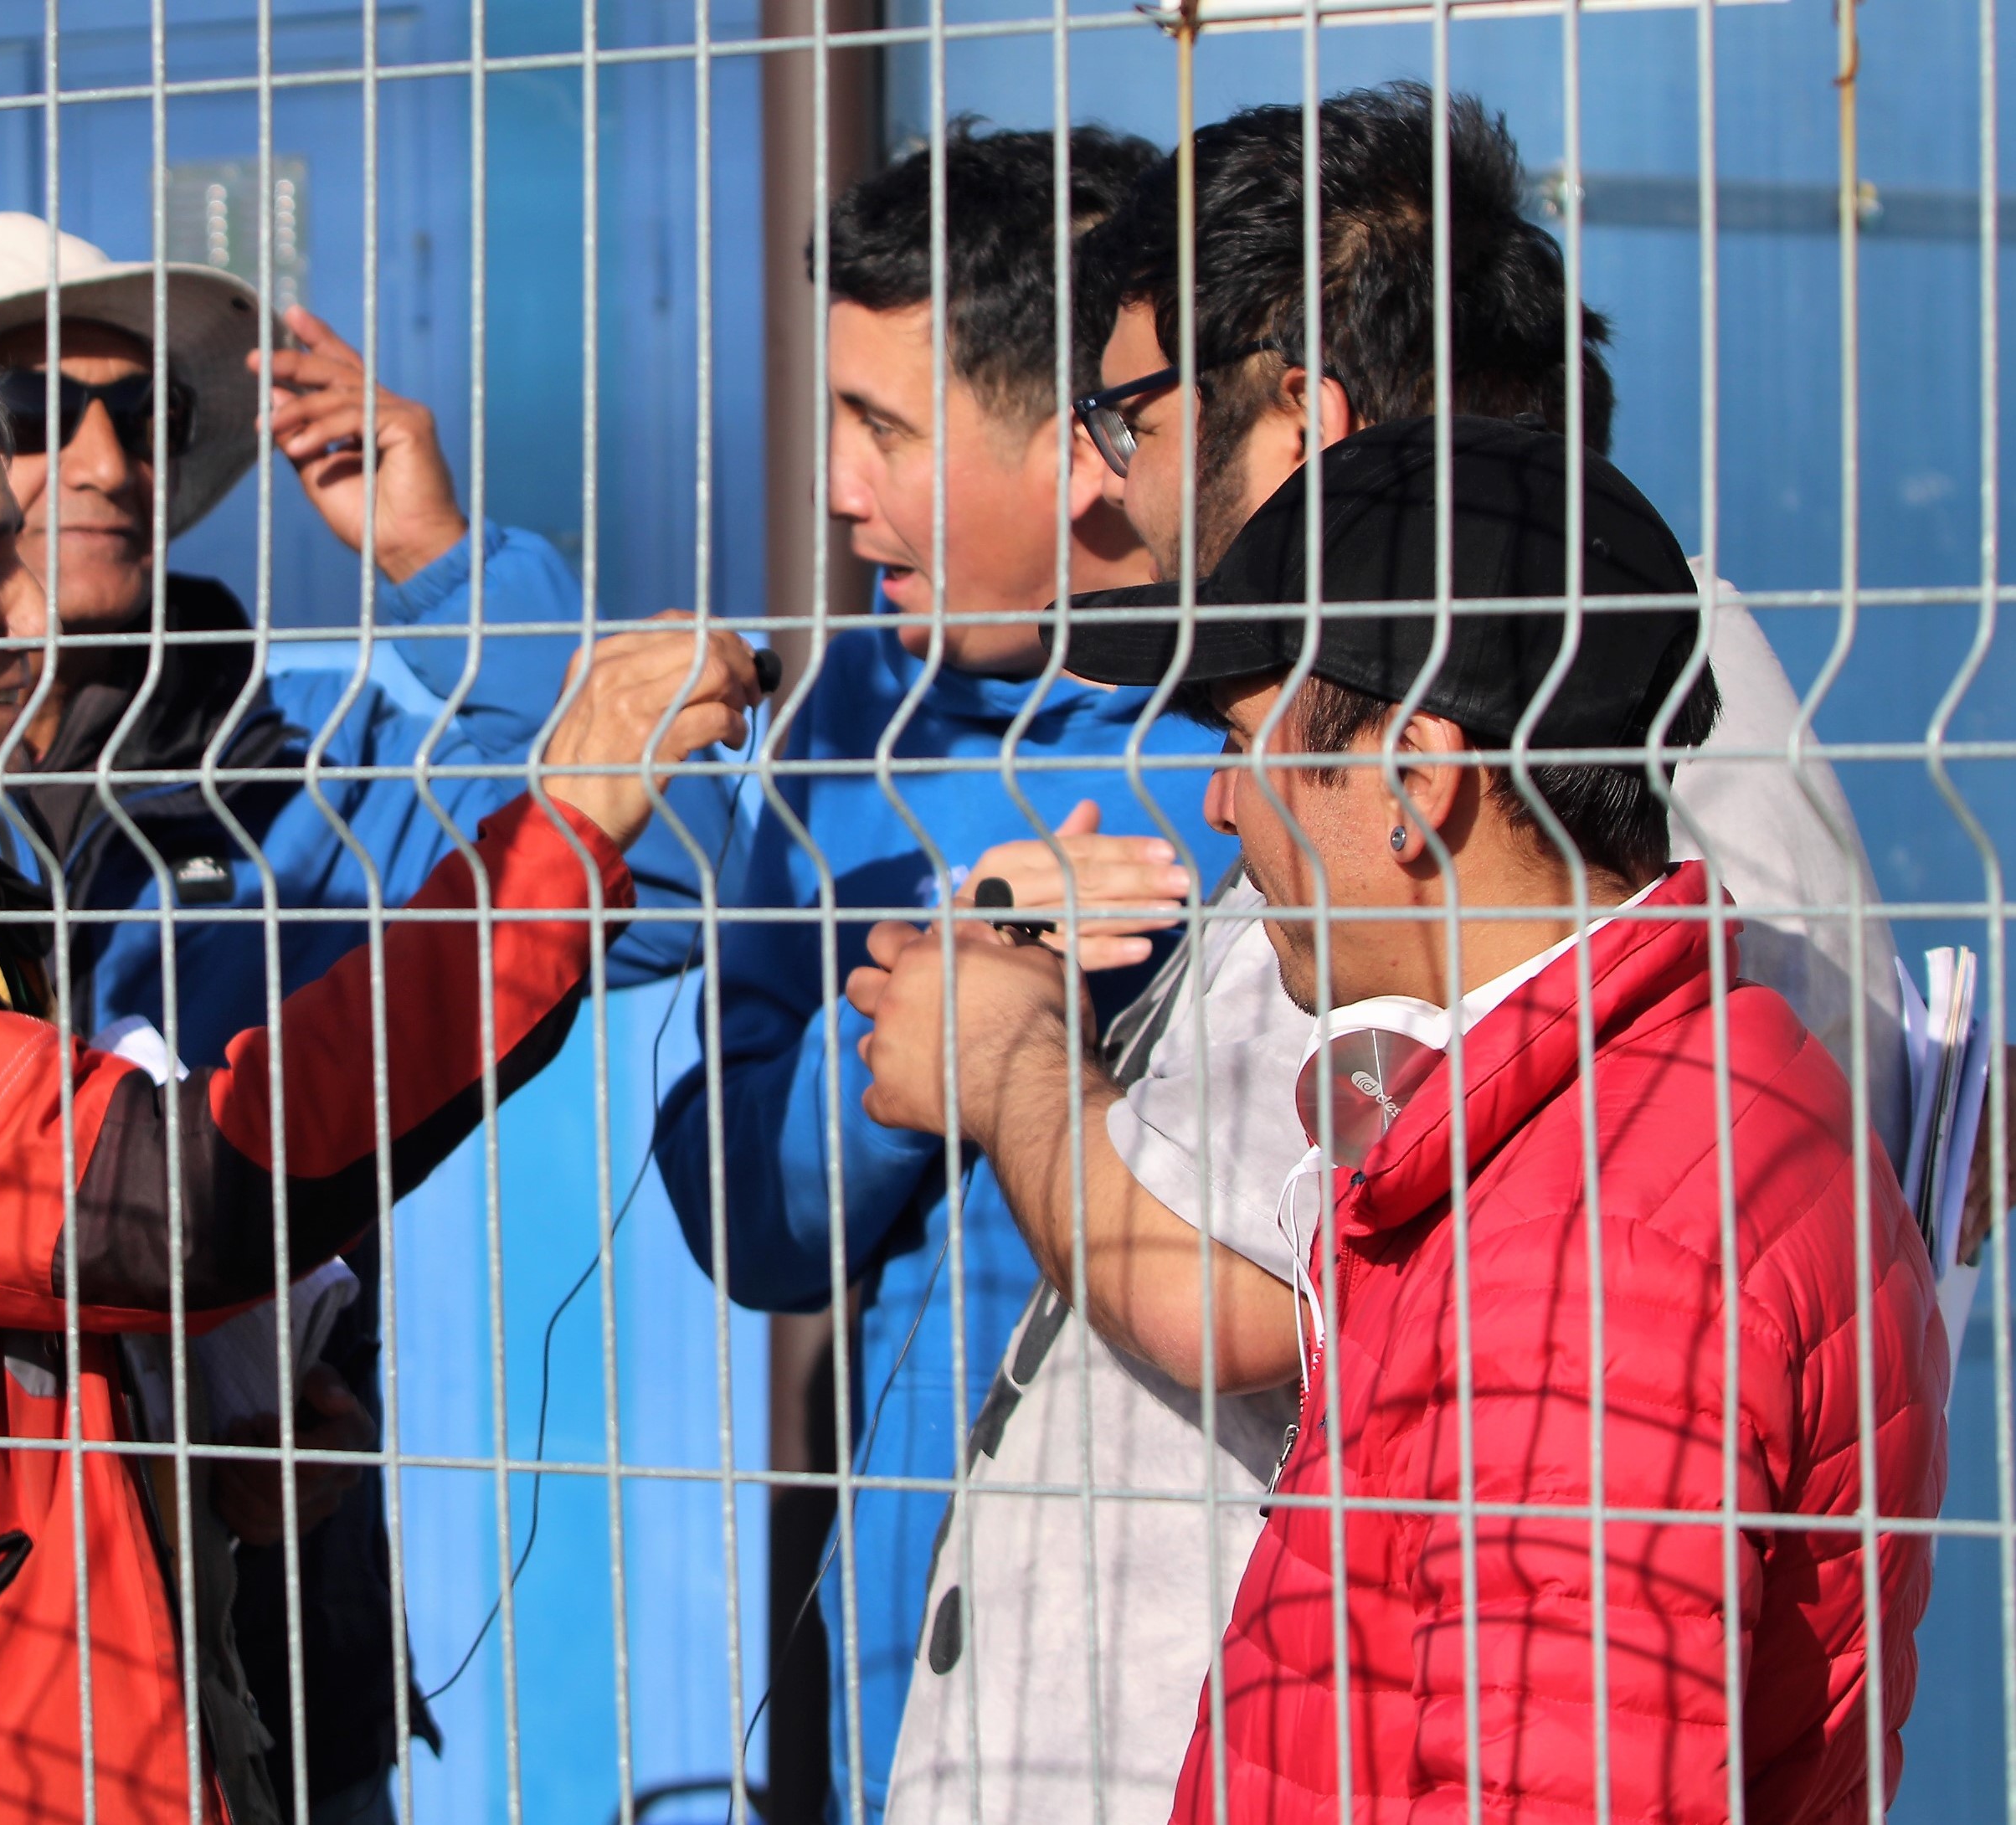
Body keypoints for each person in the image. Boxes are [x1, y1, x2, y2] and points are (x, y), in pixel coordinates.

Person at [0, 301, 759, 1823]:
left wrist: (177, 1432)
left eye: (149, 416)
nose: (33, 608)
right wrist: (554, 831)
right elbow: (163, 1198)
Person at [871, 85, 1917, 1822]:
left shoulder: (1608, 718)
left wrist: (1008, 1064)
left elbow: (1323, 1297)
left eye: (1129, 414)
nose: (1101, 476)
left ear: (1302, 415)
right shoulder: (1369, 694)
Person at [0, 215, 748, 1823]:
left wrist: (442, 567)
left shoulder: (298, 788)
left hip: (265, 1665)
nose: (112, 461)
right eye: (43, 410)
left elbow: (675, 881)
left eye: (148, 415)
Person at [649, 121, 1218, 1819]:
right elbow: (744, 1212)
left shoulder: (1290, 737)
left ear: (1086, 442)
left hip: (1211, 1657)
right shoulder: (853, 720)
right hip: (909, 1659)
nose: (839, 486)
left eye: (884, 428)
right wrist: (924, 1025)